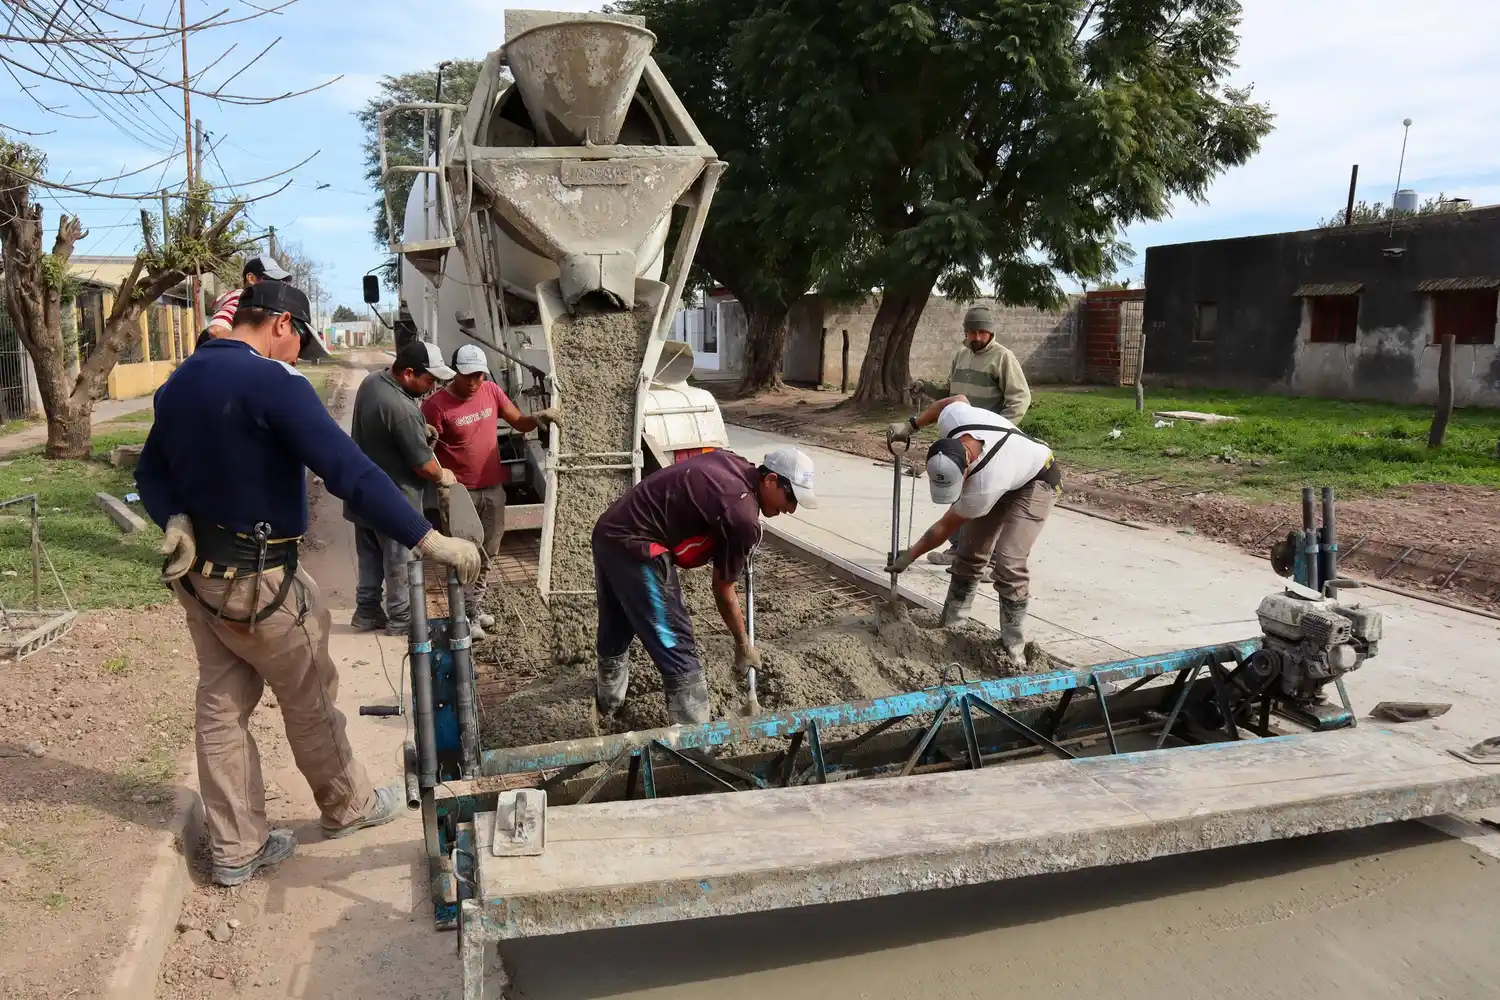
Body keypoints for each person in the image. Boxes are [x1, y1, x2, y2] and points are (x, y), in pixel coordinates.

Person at [134, 280, 482, 888]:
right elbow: (351, 471)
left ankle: (236, 847)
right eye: (301, 338)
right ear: (279, 325)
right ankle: (346, 805)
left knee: (220, 704)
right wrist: (425, 538)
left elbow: (149, 469)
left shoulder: (182, 381)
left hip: (198, 581)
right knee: (310, 692)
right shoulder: (274, 385)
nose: (300, 353)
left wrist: (174, 518)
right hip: (259, 583)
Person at [591, 447, 816, 725]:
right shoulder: (743, 517)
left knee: (617, 623)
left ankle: (608, 706)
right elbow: (723, 590)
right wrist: (743, 643)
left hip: (609, 531)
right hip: (638, 547)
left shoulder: (734, 463)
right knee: (675, 642)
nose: (791, 509)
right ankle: (696, 743)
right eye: (790, 497)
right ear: (770, 481)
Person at [885, 394, 1059, 663]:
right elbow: (955, 399)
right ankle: (952, 626)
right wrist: (910, 426)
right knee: (970, 551)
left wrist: (911, 554)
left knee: (1009, 561)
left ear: (966, 468)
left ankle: (1013, 648)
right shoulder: (955, 420)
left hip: (1038, 479)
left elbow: (944, 526)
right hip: (1008, 470)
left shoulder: (984, 486)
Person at [420, 344, 561, 637]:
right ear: (455, 373)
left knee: (488, 552)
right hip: (459, 493)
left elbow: (518, 422)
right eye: (467, 376)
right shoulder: (435, 406)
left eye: (479, 375)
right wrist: (435, 468)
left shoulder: (492, 392)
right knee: (463, 553)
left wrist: (538, 419)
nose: (473, 382)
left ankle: (475, 608)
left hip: (492, 486)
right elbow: (424, 451)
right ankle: (463, 617)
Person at [347, 340, 460, 635]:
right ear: (409, 373)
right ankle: (400, 620)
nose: (433, 386)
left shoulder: (372, 383)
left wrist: (416, 430)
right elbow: (423, 464)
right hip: (396, 502)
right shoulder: (402, 409)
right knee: (401, 562)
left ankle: (366, 613)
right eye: (430, 379)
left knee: (370, 557)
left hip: (362, 494)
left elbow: (382, 424)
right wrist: (442, 476)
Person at [911, 305, 1031, 572]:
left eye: (981, 332)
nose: (976, 337)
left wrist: (1000, 433)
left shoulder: (1003, 358)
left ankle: (993, 558)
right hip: (961, 442)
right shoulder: (961, 356)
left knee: (991, 499)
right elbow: (950, 392)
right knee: (957, 491)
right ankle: (958, 549)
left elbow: (1020, 399)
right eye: (972, 332)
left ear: (991, 332)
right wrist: (926, 387)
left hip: (989, 446)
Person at [200, 254, 291, 347]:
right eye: (271, 280)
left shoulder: (256, 305)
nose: (277, 286)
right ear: (251, 278)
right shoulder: (239, 299)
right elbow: (216, 330)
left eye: (279, 282)